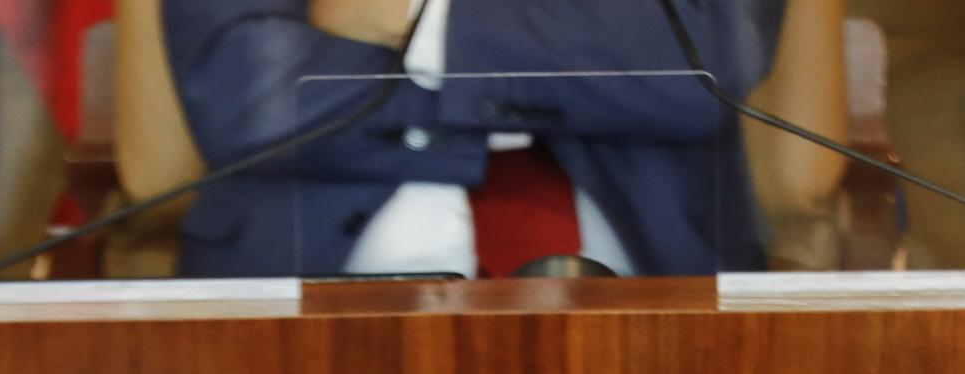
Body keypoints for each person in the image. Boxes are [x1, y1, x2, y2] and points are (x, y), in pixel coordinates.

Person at [159, 0, 782, 277]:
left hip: (656, 292)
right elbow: (244, 90)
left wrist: (410, 17)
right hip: (299, 296)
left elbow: (701, 66)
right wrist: (573, 73)